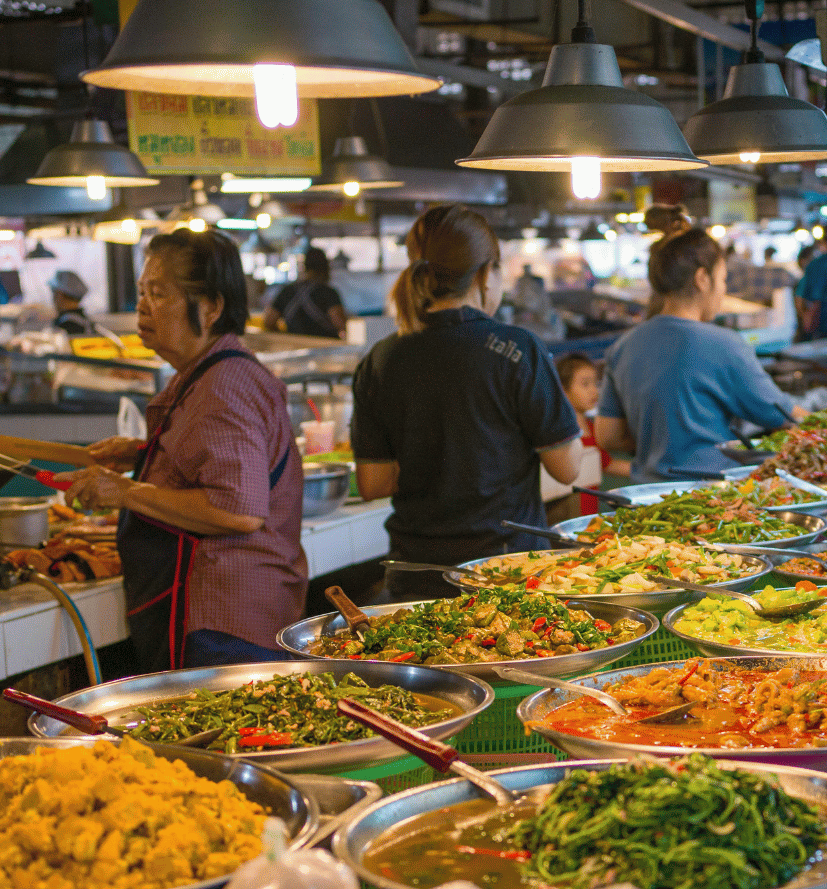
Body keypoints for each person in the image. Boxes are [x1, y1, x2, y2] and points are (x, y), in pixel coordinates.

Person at [57, 229, 306, 672]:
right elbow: (215, 465)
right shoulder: (207, 372)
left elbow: (237, 510)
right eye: (141, 291)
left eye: (159, 293)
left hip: (226, 624)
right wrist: (144, 457)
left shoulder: (224, 386)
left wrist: (124, 491)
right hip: (227, 617)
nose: (142, 306)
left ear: (210, 307)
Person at [350, 205, 582, 598]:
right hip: (505, 574)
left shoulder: (381, 358)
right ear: (484, 274)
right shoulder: (517, 349)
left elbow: (373, 482)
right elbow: (567, 468)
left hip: (415, 574)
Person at [598, 209, 803, 483]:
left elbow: (607, 436)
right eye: (723, 279)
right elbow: (783, 416)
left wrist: (660, 439)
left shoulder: (622, 347)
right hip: (710, 501)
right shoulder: (724, 345)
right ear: (702, 279)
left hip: (646, 497)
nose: (723, 290)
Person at [556, 353, 614, 517]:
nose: (594, 391)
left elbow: (605, 463)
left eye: (595, 384)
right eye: (585, 384)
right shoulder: (559, 434)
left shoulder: (593, 426)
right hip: (569, 513)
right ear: (563, 390)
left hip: (591, 513)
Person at [263, 247, 347, 339]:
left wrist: (284, 336)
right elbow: (340, 323)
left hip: (293, 346)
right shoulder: (328, 293)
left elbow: (269, 322)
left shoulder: (287, 291)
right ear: (326, 267)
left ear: (305, 266)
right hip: (325, 347)